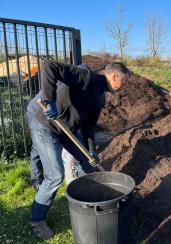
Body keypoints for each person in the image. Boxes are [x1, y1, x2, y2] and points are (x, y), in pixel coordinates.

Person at [26, 60, 130, 240]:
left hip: (66, 128)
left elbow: (89, 127)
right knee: (55, 175)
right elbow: (49, 66)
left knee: (88, 160)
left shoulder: (100, 98)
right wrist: (49, 100)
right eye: (123, 82)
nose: (123, 87)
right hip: (43, 120)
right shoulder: (85, 75)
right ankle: (37, 219)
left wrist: (91, 151)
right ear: (114, 77)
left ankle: (93, 199)